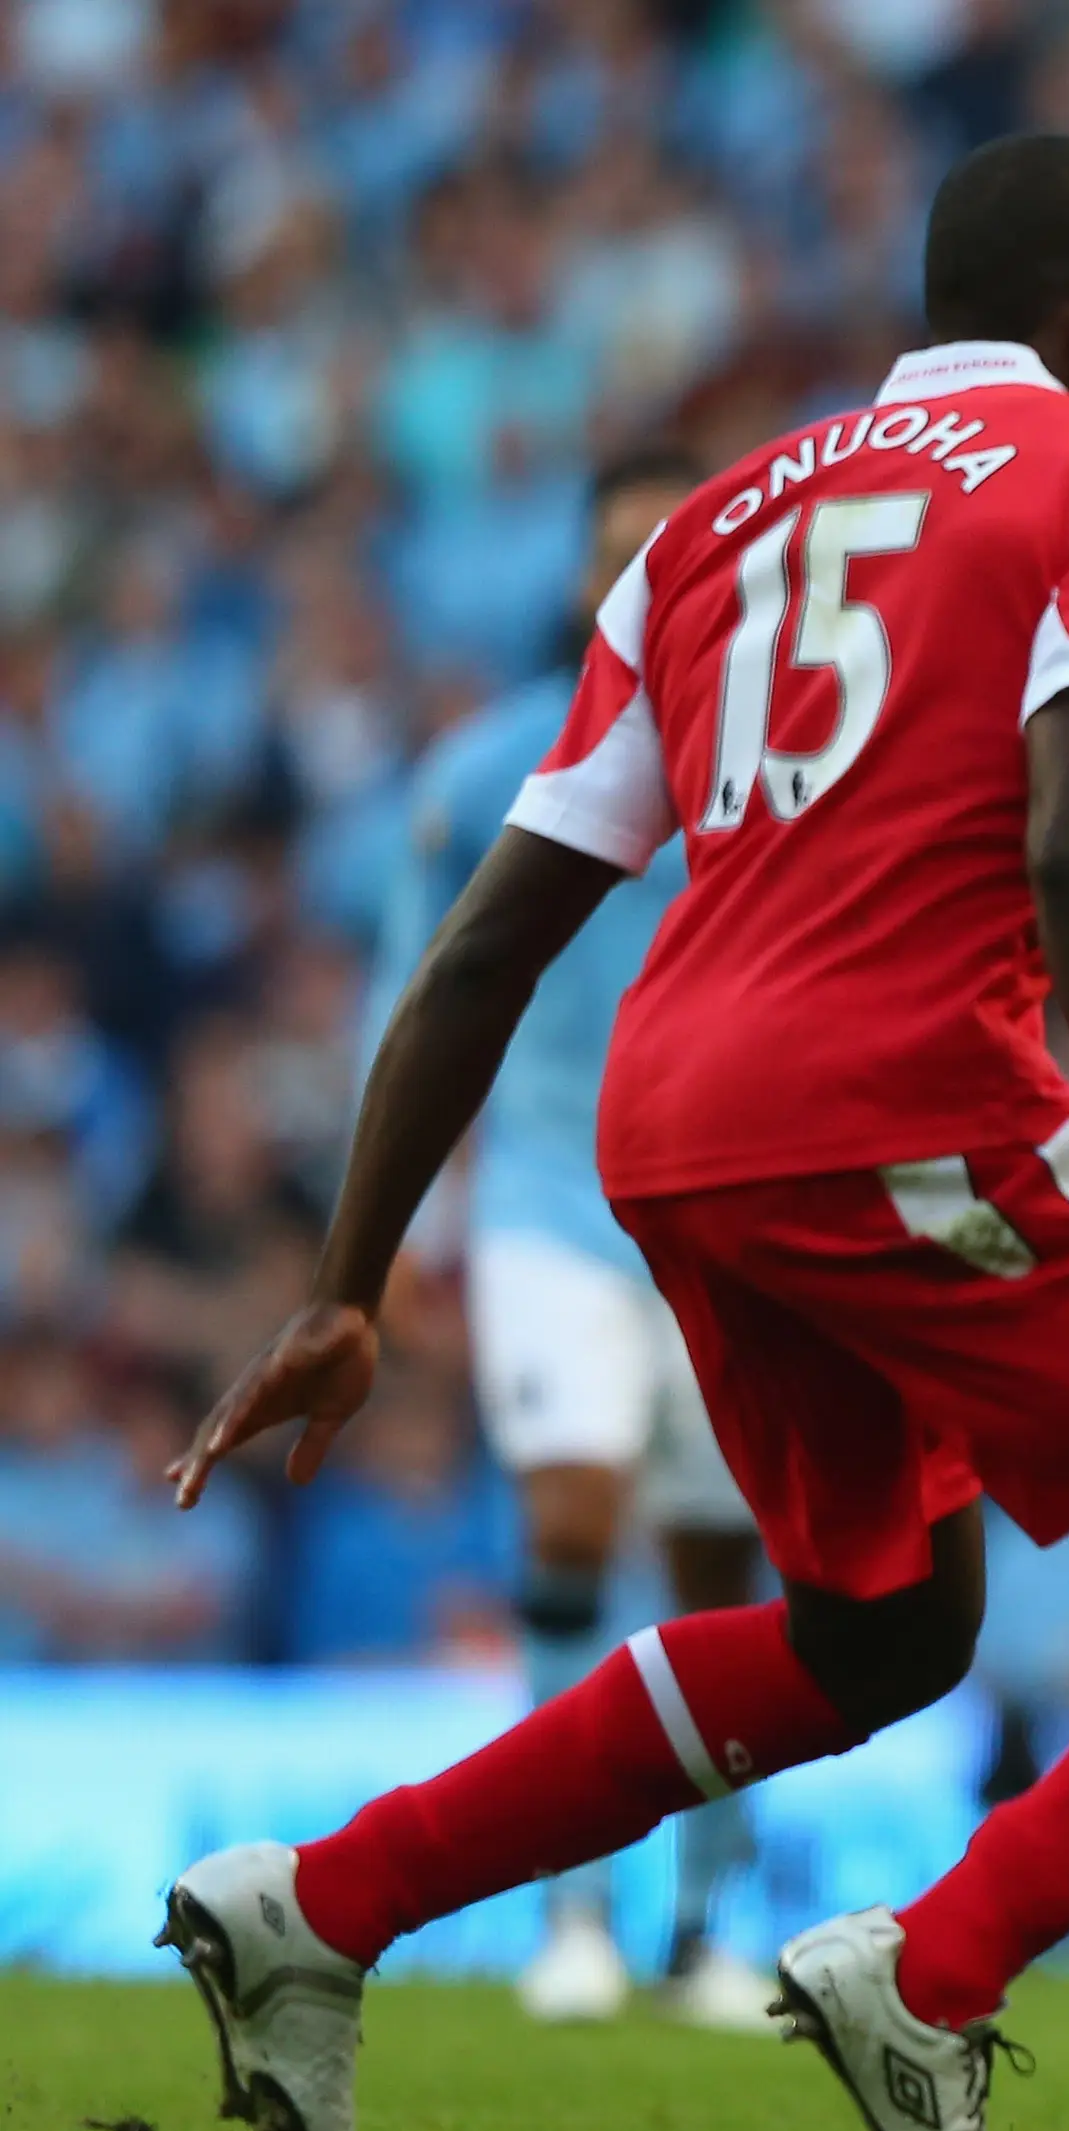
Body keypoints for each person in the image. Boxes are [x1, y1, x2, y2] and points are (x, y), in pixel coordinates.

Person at [156, 131, 1069, 2131]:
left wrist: (348, 1275)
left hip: (671, 1132)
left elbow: (491, 931)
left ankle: (320, 1904)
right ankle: (931, 1980)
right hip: (903, 1101)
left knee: (881, 1631)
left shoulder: (706, 528)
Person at [377, 447, 777, 2032]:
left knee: (716, 1566)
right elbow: (416, 986)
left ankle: (707, 1925)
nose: (648, 579)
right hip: (549, 1193)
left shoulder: (780, 758)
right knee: (567, 1513)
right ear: (582, 578)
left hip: (732, 1211)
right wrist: (405, 1203)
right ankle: (571, 1917)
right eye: (624, 554)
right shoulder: (485, 767)